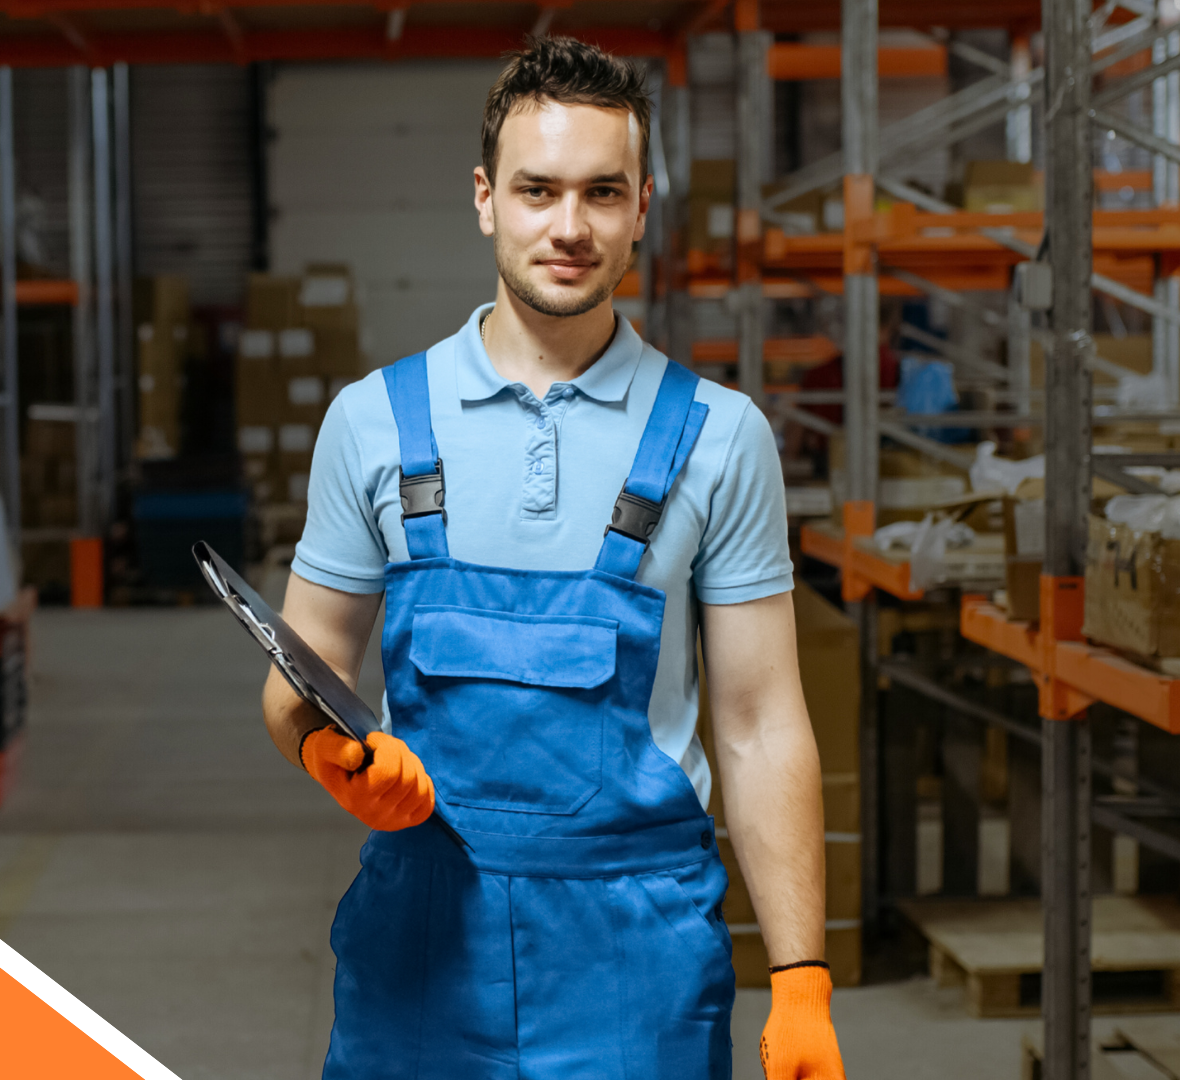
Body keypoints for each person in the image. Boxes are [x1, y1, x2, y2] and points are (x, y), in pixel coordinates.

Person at [260, 37, 846, 1080]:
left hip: (639, 960)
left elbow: (759, 725)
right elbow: (300, 677)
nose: (569, 228)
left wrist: (800, 973)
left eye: (601, 194)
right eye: (537, 190)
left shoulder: (720, 436)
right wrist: (331, 759)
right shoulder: (374, 424)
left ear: (642, 207)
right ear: (486, 198)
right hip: (421, 950)